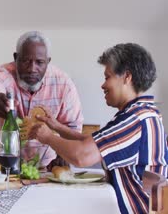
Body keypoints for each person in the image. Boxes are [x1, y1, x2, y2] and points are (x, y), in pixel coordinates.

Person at [29, 43, 168, 214]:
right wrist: (57, 126)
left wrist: (48, 137)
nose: (103, 85)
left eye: (107, 77)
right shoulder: (143, 113)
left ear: (126, 77)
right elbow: (95, 143)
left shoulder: (134, 120)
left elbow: (82, 155)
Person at [0, 31, 84, 167]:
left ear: (48, 61)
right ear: (16, 58)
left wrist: (63, 154)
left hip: (46, 166)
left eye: (39, 62)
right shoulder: (2, 73)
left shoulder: (64, 83)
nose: (32, 69)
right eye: (26, 61)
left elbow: (73, 127)